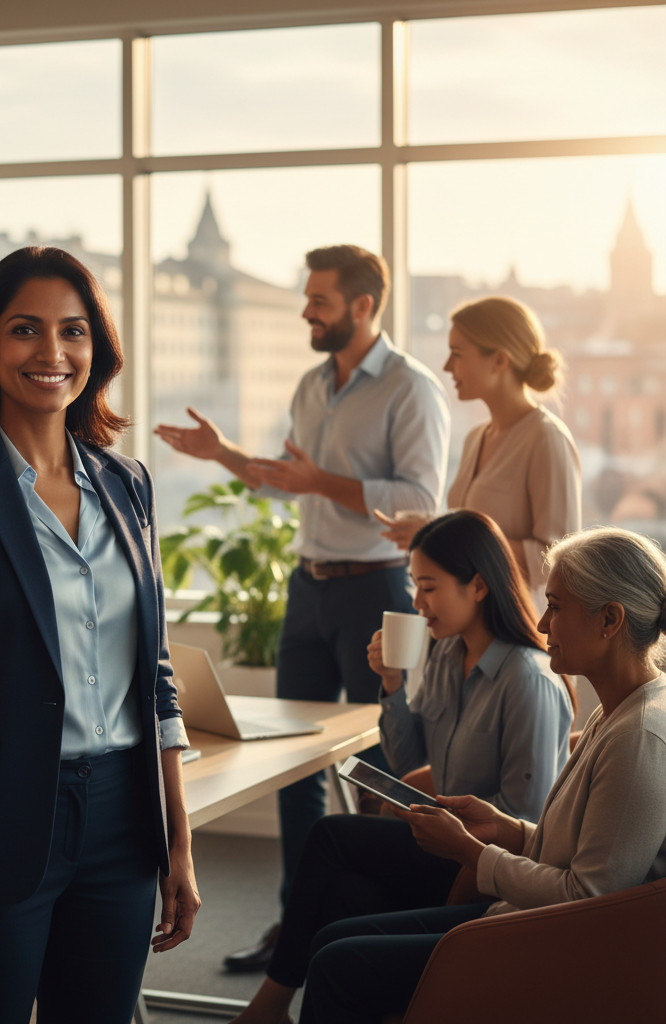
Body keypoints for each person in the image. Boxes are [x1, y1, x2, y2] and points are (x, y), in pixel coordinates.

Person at [0, 247, 201, 1024]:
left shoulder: (128, 483)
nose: (52, 353)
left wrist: (179, 844)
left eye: (74, 331)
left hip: (125, 821)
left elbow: (152, 676)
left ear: (98, 349)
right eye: (26, 330)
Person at [156, 244, 450, 971]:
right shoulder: (311, 385)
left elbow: (419, 500)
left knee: (382, 759)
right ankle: (296, 923)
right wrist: (224, 453)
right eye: (307, 299)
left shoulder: (411, 389)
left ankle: (376, 919)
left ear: (362, 305)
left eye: (318, 301)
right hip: (309, 586)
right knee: (292, 762)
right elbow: (291, 482)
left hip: (378, 588)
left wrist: (322, 479)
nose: (305, 313)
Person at [299, 526, 666, 1024]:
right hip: (528, 919)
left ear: (610, 620)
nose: (541, 621)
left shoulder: (639, 735)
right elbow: (581, 854)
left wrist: (472, 851)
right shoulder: (617, 711)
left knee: (336, 965)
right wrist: (508, 829)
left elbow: (587, 902)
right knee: (332, 940)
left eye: (555, 607)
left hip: (554, 949)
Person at [229, 510, 574, 1024]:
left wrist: (447, 830)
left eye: (429, 587)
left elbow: (524, 818)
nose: (416, 603)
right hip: (443, 849)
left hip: (482, 865)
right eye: (415, 586)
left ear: (478, 586)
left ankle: (269, 1005)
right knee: (343, 892)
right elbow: (412, 760)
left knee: (330, 835)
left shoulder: (528, 681)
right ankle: (294, 1005)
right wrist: (391, 686)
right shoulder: (444, 655)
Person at [376, 295, 581, 611]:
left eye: (457, 354)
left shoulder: (546, 440)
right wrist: (435, 529)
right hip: (469, 628)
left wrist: (439, 536)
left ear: (499, 361)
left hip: (517, 630)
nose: (447, 366)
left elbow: (557, 562)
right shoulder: (475, 438)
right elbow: (474, 532)